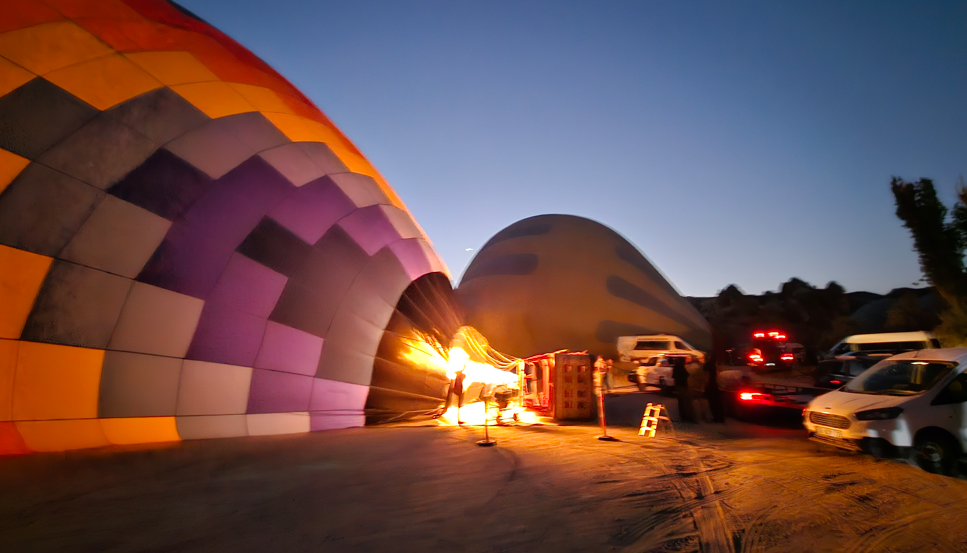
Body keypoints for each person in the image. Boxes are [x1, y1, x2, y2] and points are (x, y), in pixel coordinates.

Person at [672, 356, 696, 423]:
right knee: (686, 402)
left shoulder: (677, 367)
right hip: (683, 385)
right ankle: (689, 417)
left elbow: (674, 376)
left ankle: (684, 416)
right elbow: (686, 375)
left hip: (679, 385)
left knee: (682, 402)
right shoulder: (682, 368)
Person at [705, 353, 726, 423]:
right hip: (715, 387)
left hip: (712, 387)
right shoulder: (714, 366)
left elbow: (706, 376)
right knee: (717, 403)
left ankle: (717, 417)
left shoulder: (709, 366)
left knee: (713, 403)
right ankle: (720, 418)